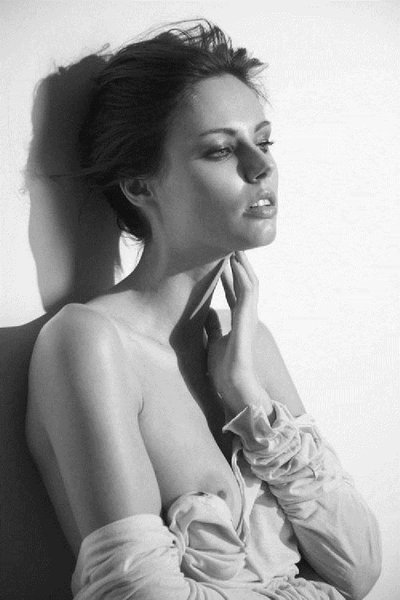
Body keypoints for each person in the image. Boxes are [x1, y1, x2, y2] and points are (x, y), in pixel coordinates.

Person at [26, 20, 381, 600]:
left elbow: (359, 568)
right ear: (140, 185)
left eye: (264, 141)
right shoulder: (90, 344)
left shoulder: (249, 345)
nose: (260, 167)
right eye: (221, 149)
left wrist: (245, 392)